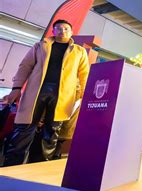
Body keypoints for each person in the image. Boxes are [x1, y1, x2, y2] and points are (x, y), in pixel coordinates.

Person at [1, 20, 89, 166]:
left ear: (72, 32)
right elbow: (25, 67)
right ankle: (12, 165)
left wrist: (85, 95)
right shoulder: (40, 46)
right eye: (58, 29)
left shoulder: (79, 52)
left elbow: (84, 74)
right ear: (53, 31)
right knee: (25, 128)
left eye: (66, 28)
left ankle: (40, 165)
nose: (62, 31)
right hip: (36, 92)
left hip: (62, 95)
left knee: (52, 131)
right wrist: (16, 88)